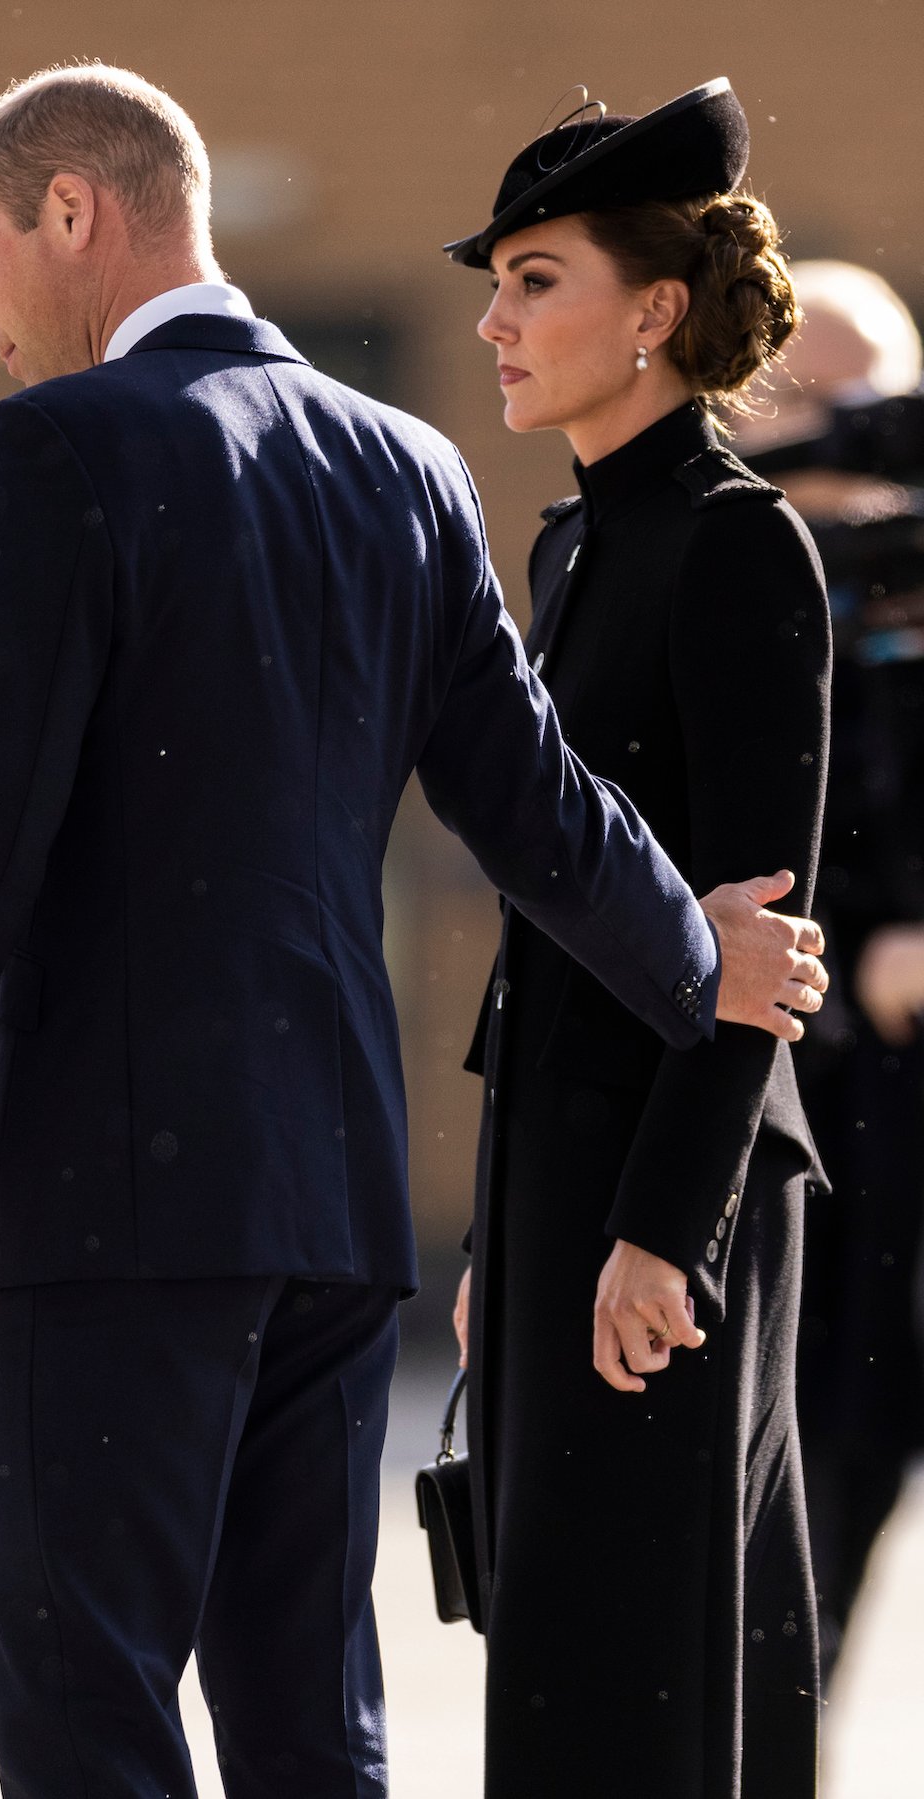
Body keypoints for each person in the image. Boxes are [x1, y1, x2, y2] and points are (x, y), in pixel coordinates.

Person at [0, 65, 827, 1799]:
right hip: (336, 1211)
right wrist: (696, 955)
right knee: (315, 1732)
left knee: (91, 1712)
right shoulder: (399, 462)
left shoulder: (51, 450)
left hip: (122, 1214)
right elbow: (533, 800)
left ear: (75, 214)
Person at [447, 80, 831, 1797]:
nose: (496, 321)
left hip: (675, 1182)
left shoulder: (741, 547)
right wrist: (509, 1230)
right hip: (560, 1174)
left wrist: (665, 1232)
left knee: (644, 1682)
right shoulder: (579, 536)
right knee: (557, 1667)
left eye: (537, 280)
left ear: (653, 311)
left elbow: (767, 943)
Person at [740, 262, 924, 1686]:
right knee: (789, 1583)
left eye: (883, 405)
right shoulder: (739, 611)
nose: (855, 438)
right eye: (817, 404)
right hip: (822, 1157)